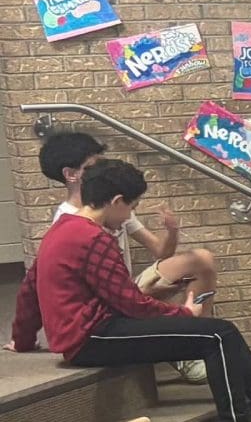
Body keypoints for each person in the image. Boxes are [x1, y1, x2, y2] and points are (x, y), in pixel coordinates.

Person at [14, 159, 251, 422]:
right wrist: (183, 313)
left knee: (221, 334)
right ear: (116, 201)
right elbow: (131, 304)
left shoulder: (61, 229)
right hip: (93, 337)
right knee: (218, 335)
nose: (129, 216)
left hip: (90, 331)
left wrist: (23, 339)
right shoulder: (92, 238)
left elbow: (29, 289)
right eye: (131, 207)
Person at [18, 130, 219, 381]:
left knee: (201, 260)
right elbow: (35, 286)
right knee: (150, 308)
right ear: (70, 174)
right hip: (105, 301)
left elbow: (160, 252)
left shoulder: (115, 203)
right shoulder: (67, 222)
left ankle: (200, 334)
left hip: (123, 286)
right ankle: (187, 347)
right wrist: (22, 337)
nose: (100, 169)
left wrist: (172, 232)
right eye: (92, 165)